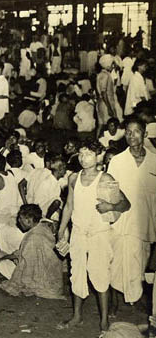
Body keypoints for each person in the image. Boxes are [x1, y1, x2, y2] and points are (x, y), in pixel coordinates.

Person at [57, 140, 131, 332]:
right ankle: (77, 316)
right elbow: (69, 206)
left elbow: (126, 204)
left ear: (98, 155)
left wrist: (111, 206)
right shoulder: (73, 178)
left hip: (99, 233)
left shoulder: (105, 178)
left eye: (88, 154)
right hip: (79, 232)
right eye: (81, 154)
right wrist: (61, 230)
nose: (83, 158)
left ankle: (104, 320)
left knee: (100, 275)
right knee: (77, 274)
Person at [108, 118, 156, 306]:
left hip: (146, 224)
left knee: (140, 264)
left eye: (136, 131)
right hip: (122, 222)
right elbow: (110, 193)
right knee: (116, 263)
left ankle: (136, 299)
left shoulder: (154, 161)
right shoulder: (117, 161)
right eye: (128, 131)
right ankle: (114, 302)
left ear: (145, 134)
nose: (131, 135)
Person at [0, 204, 65, 299]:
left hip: (43, 282)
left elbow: (26, 264)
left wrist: (4, 258)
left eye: (21, 219)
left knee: (1, 264)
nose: (18, 221)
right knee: (4, 258)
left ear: (29, 220)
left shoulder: (32, 237)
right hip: (55, 280)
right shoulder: (43, 227)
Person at [97, 54, 121, 126]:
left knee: (102, 125)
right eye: (112, 65)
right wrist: (109, 108)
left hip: (105, 103)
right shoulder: (105, 75)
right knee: (109, 126)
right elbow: (103, 93)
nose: (113, 67)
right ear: (107, 65)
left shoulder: (104, 74)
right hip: (106, 104)